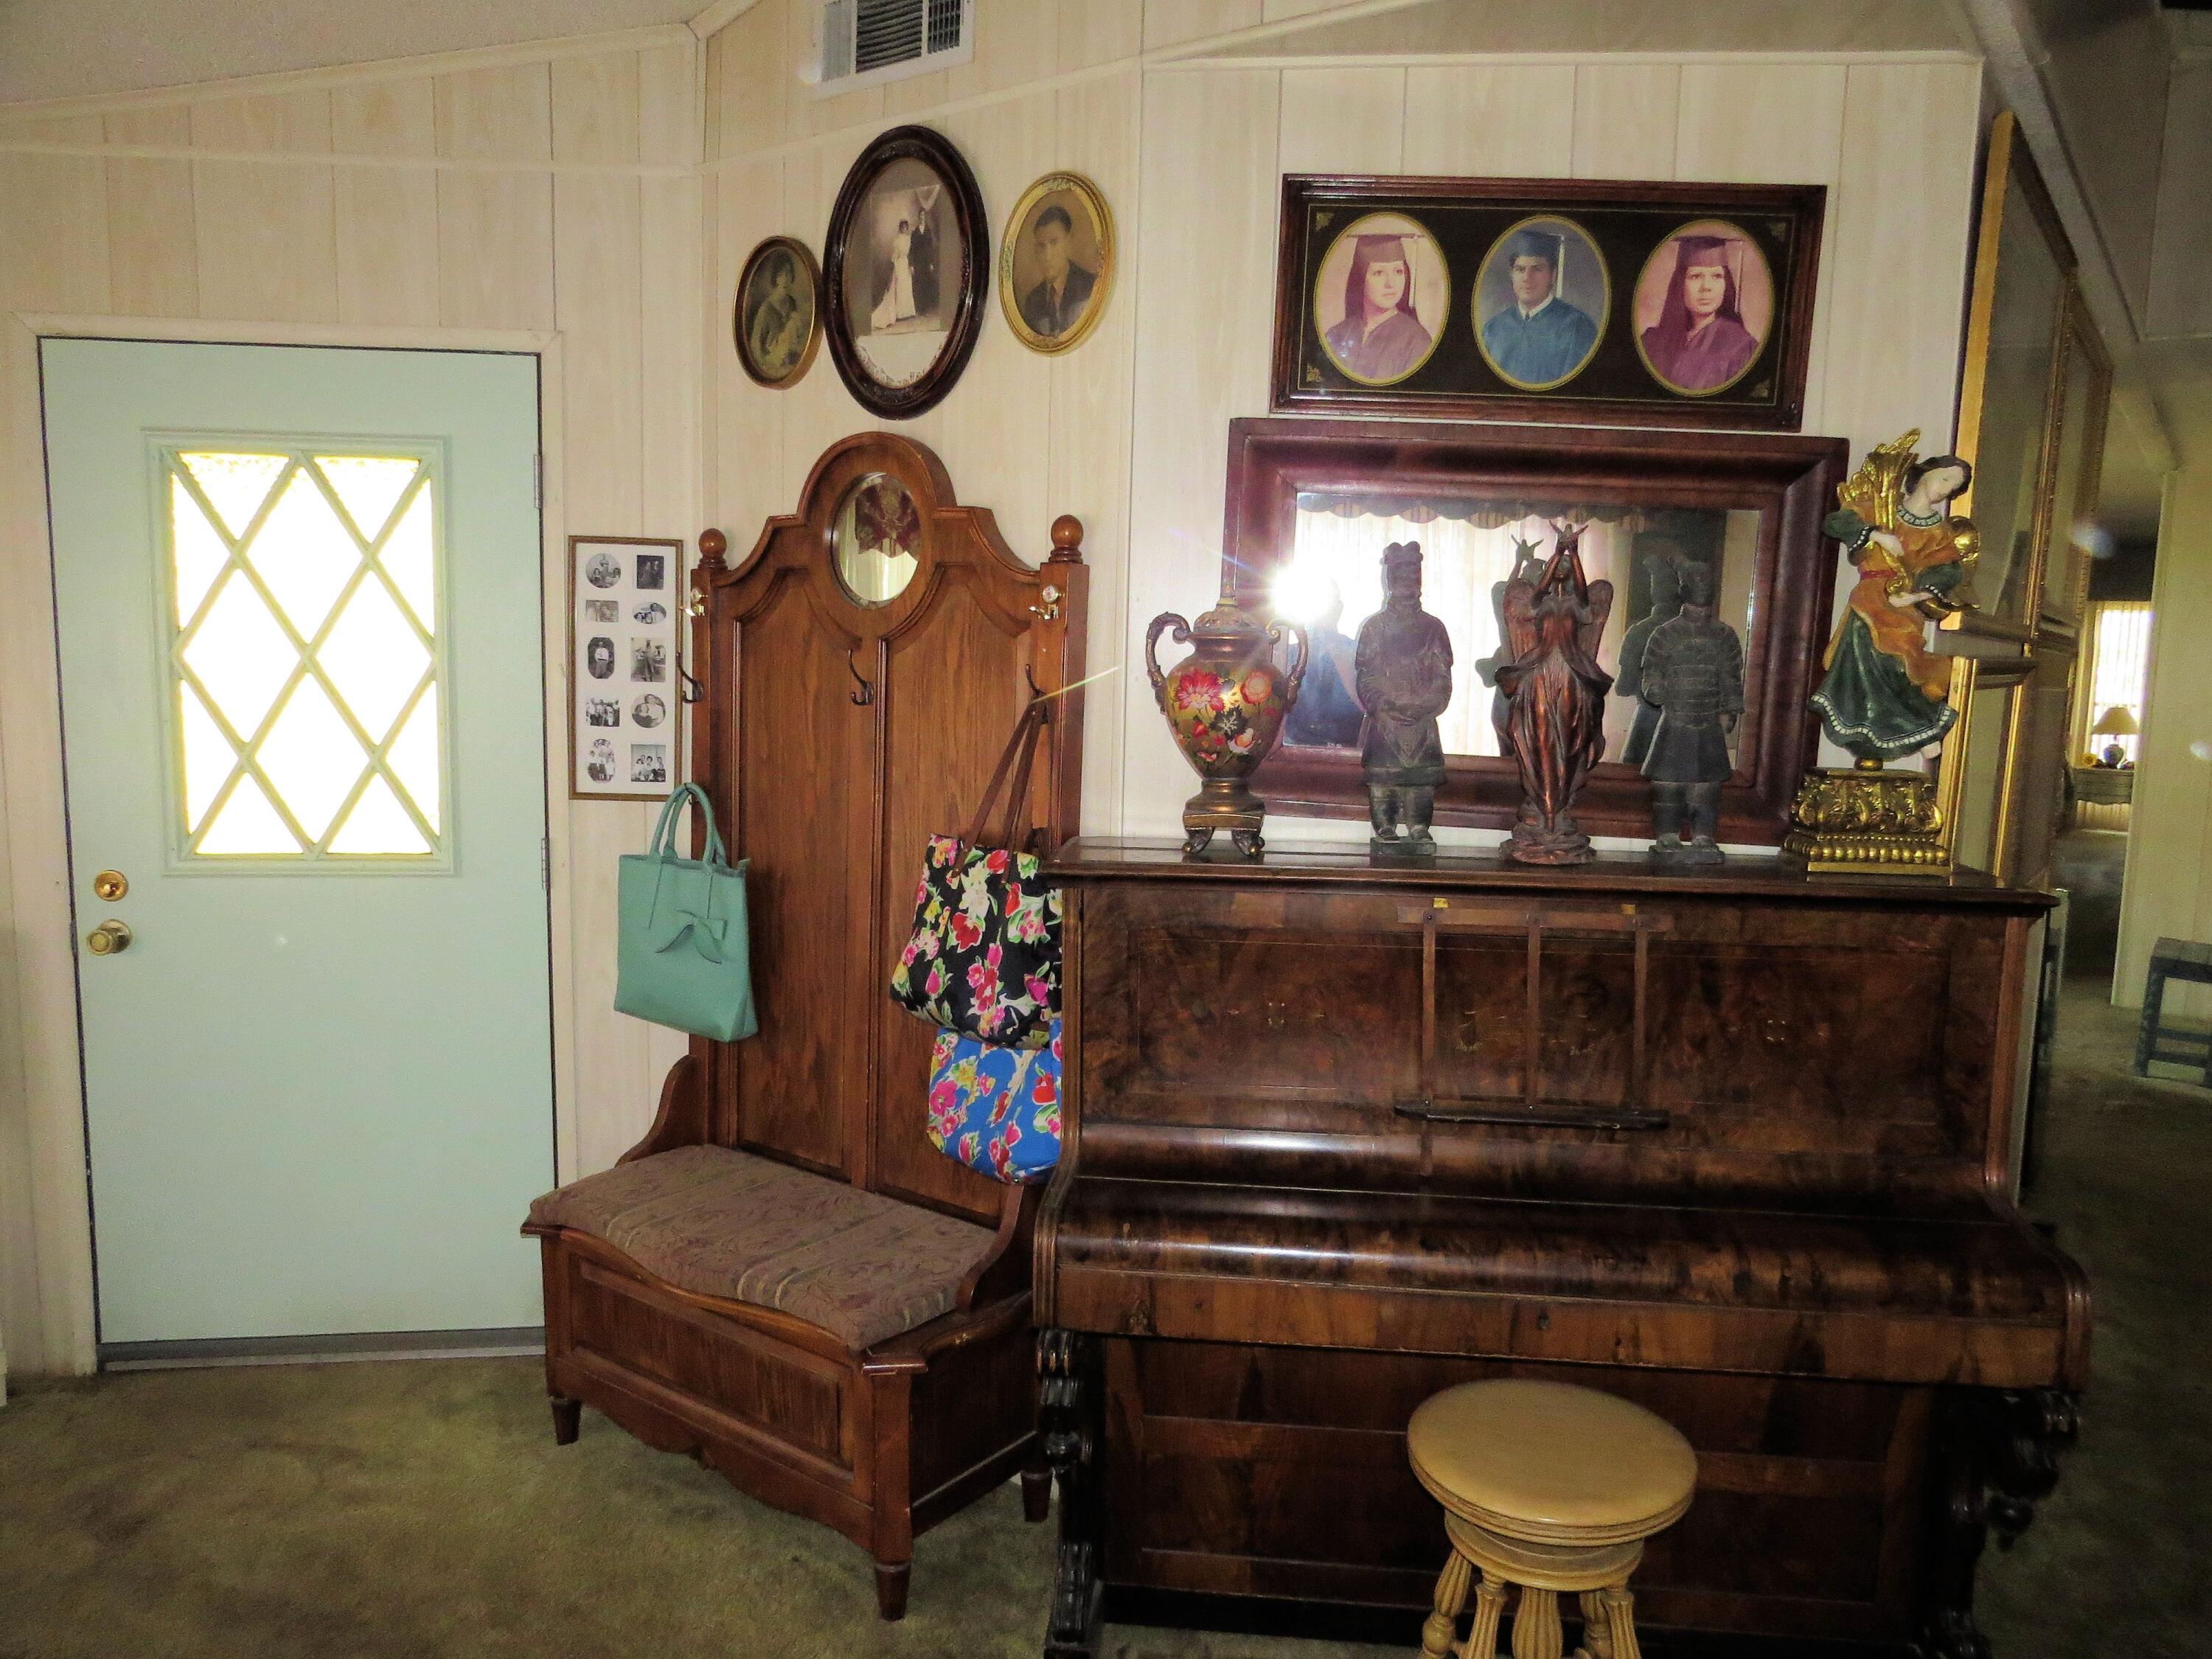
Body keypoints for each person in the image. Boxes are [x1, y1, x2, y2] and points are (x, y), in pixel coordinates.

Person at [1811, 455, 1975, 763]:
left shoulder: (1939, 533)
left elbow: (1947, 571)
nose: (1945, 489)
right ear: (1925, 474)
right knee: (1860, 669)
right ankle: (1876, 731)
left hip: (1902, 606)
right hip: (1868, 600)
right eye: (1944, 478)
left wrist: (1915, 596)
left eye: (1953, 487)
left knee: (1899, 667)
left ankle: (1923, 728)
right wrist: (1876, 534)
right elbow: (1836, 522)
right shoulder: (1882, 507)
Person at [1636, 560, 1743, 864]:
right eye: (1695, 582)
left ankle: (1703, 836)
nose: (1701, 587)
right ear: (1683, 590)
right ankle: (1667, 835)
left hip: (1708, 720)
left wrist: (1730, 710)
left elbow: (1731, 676)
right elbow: (1652, 672)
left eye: (1706, 581)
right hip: (1675, 718)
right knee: (1668, 784)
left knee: (1706, 786)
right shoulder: (1664, 634)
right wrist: (1654, 688)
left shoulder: (1724, 635)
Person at [1355, 542, 1454, 852]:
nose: (1407, 581)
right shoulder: (1375, 627)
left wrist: (1427, 705)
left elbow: (1442, 676)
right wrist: (1384, 704)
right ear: (1389, 578)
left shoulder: (1434, 628)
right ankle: (1384, 826)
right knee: (1383, 781)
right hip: (1386, 721)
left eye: (1413, 574)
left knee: (1421, 784)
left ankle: (1419, 827)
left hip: (1422, 721)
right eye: (1399, 574)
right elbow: (1366, 675)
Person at [1480, 228, 1600, 387]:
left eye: (1537, 269)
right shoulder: (1493, 328)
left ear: (1553, 275)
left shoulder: (1577, 327)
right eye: (1520, 269)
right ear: (1512, 275)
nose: (1527, 278)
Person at [1641, 234, 1761, 392]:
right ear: (1680, 284)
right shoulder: (1651, 342)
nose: (1706, 287)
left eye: (1717, 276)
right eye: (1696, 276)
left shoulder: (1741, 347)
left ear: (1726, 285)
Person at [1323, 233, 1433, 383]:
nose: (1391, 283)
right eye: (1379, 273)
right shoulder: (1336, 335)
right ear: (1361, 279)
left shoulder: (1417, 341)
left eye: (1398, 272)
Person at [1613, 552, 1683, 767]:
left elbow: (1623, 688)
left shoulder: (1639, 632)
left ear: (1655, 591)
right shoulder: (1700, 633)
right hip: (1687, 729)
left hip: (1648, 723)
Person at [1281, 584, 1366, 748]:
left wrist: (1338, 653)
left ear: (1339, 609)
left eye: (1329, 604)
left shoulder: (1356, 652)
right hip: (1296, 753)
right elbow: (1276, 714)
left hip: (1348, 754)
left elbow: (1370, 709)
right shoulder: (1289, 655)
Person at [1019, 204, 1097, 339]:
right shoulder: (1033, 301)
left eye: (1054, 243)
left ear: (1069, 241)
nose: (1047, 255)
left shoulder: (1090, 286)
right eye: (1041, 246)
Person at [745, 251, 809, 375]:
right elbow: (756, 349)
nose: (785, 279)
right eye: (781, 275)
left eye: (788, 274)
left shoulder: (792, 303)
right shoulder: (766, 310)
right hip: (771, 366)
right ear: (776, 278)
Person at [871, 215, 917, 332]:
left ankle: (908, 312)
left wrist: (911, 265)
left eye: (906, 227)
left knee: (907, 288)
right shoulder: (896, 240)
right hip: (899, 264)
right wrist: (895, 268)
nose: (904, 229)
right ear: (900, 229)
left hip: (907, 263)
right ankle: (900, 313)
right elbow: (894, 256)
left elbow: (912, 253)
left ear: (907, 228)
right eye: (902, 228)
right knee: (900, 288)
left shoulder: (910, 239)